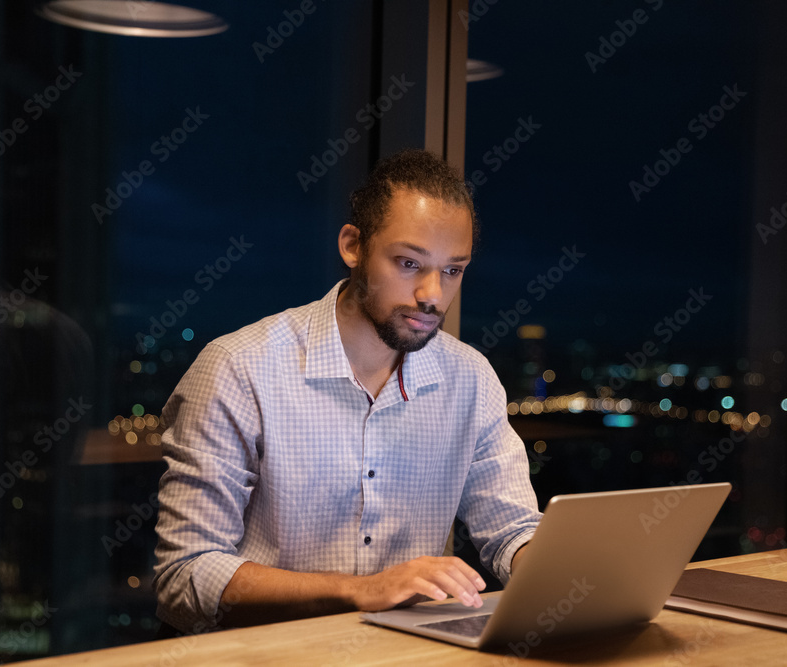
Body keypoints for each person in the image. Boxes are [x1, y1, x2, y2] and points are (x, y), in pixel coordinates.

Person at [153, 149, 541, 634]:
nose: (432, 295)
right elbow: (184, 573)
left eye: (452, 270)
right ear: (353, 246)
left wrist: (563, 574)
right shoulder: (238, 368)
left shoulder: (471, 378)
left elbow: (513, 530)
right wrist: (360, 590)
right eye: (408, 263)